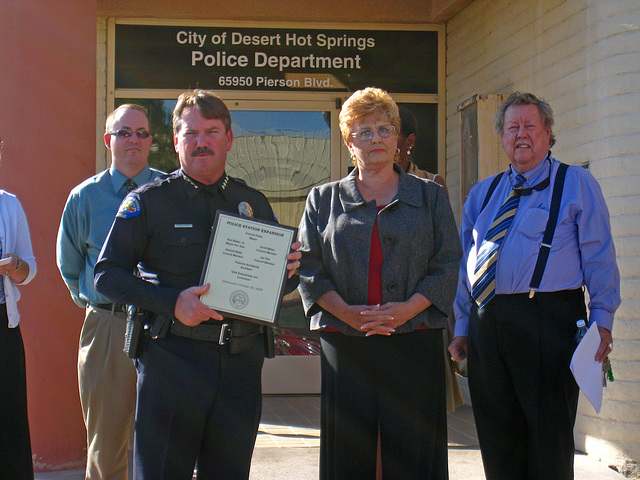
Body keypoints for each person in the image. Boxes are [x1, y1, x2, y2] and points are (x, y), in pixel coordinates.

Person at [94, 89, 301, 480]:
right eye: (190, 133)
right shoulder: (148, 202)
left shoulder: (253, 202)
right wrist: (172, 302)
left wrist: (288, 270)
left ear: (229, 139)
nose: (201, 142)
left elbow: (275, 289)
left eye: (211, 131)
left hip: (239, 366)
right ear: (175, 142)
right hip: (171, 362)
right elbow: (107, 275)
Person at [449, 92, 621, 480]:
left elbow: (600, 258)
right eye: (513, 128)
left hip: (549, 320)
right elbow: (468, 266)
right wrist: (463, 327)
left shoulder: (576, 183)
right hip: (487, 323)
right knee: (497, 438)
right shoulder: (483, 192)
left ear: (547, 133)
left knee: (548, 439)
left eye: (530, 126)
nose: (521, 134)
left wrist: (603, 320)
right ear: (503, 137)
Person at [297, 87, 461, 479]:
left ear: (398, 138)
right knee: (348, 454)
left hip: (414, 339)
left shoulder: (431, 197)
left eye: (385, 129)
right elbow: (308, 266)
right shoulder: (323, 199)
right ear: (349, 141)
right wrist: (347, 313)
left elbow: (449, 262)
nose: (376, 139)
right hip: (346, 340)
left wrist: (407, 309)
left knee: (414, 451)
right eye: (364, 131)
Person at [56, 104, 163, 480]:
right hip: (108, 325)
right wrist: (100, 309)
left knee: (167, 438)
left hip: (167, 326)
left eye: (142, 132)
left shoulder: (172, 191)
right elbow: (69, 266)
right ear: (108, 140)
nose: (133, 139)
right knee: (106, 441)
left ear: (152, 140)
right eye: (124, 132)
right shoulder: (84, 198)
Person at [396, 105, 462, 415]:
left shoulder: (431, 185)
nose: (379, 140)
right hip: (371, 316)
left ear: (409, 141)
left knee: (419, 415)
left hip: (420, 315)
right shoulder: (355, 186)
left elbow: (446, 255)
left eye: (389, 131)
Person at [0, 136, 37, 479]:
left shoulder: (9, 205)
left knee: (9, 419)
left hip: (3, 327)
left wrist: (13, 266)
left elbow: (29, 271)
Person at [395, 106, 448, 193]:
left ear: (410, 141)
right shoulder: (367, 185)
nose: (381, 140)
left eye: (391, 134)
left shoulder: (433, 185)